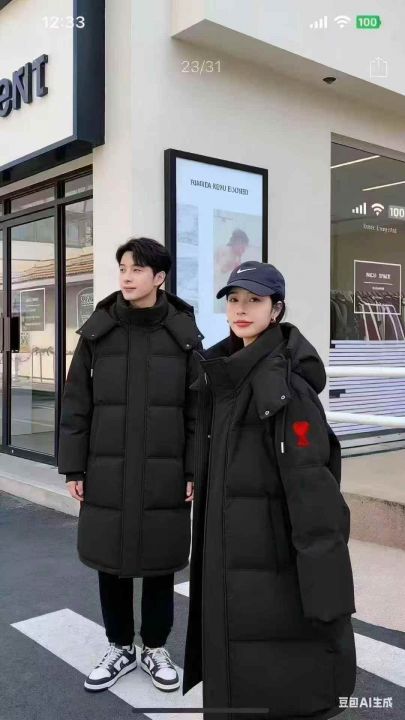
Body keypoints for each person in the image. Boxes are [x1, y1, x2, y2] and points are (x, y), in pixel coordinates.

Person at [183, 260, 356, 720]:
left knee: (276, 666)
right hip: (229, 547)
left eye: (254, 301)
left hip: (267, 556)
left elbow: (313, 488)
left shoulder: (285, 388)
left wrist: (327, 586)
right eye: (234, 300)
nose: (241, 310)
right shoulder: (225, 372)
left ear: (276, 309)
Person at [58, 237, 203, 693]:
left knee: (160, 561)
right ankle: (119, 645)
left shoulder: (183, 335)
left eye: (137, 269)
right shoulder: (98, 332)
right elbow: (76, 403)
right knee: (111, 560)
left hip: (165, 471)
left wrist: (193, 469)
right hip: (106, 468)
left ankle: (155, 647)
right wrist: (74, 467)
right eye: (123, 268)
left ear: (159, 278)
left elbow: (197, 412)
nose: (126, 276)